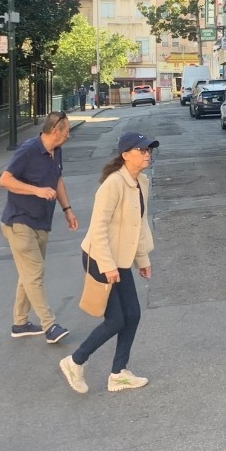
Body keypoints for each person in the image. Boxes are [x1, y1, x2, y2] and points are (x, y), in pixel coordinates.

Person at [59, 132, 157, 394]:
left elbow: (138, 225)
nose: (147, 154)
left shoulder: (140, 182)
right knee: (116, 320)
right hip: (100, 257)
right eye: (141, 150)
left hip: (120, 259)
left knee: (133, 315)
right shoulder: (113, 184)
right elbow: (98, 228)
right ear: (125, 155)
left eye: (149, 150)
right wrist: (108, 266)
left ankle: (118, 373)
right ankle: (74, 361)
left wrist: (142, 259)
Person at [0, 111, 79, 344]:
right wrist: (36, 190)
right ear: (55, 131)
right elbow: (4, 180)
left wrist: (67, 210)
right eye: (67, 131)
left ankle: (20, 323)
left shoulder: (57, 151)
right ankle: (49, 325)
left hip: (42, 221)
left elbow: (58, 179)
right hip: (19, 221)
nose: (68, 135)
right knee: (35, 274)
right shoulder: (28, 149)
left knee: (29, 274)